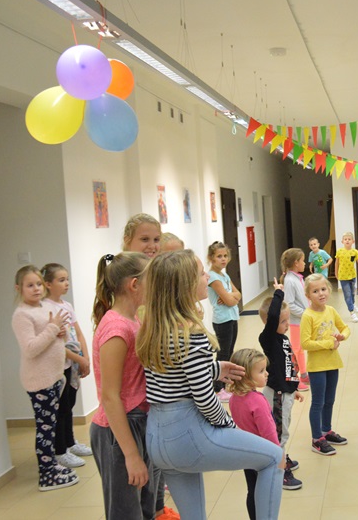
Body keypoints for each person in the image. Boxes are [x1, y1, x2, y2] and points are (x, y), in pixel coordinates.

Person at [136, 250, 283, 520]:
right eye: (201, 273)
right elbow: (204, 398)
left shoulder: (154, 329)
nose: (207, 277)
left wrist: (215, 368)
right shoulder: (191, 332)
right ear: (185, 285)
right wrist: (228, 425)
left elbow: (173, 376)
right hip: (188, 435)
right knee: (274, 458)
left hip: (158, 438)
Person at [90, 252, 157, 518]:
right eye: (151, 278)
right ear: (134, 284)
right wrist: (131, 455)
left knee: (145, 509)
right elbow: (110, 396)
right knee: (126, 513)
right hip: (118, 431)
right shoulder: (116, 329)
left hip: (137, 422)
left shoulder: (133, 320)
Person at [121, 214, 178, 519]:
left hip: (154, 390)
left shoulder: (153, 275)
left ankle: (158, 510)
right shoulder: (123, 281)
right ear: (127, 242)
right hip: (133, 394)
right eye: (144, 239)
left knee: (157, 465)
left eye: (156, 239)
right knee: (140, 474)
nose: (152, 245)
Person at [11, 265, 77, 491]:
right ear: (19, 288)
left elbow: (57, 338)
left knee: (52, 424)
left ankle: (52, 465)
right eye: (30, 285)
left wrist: (61, 332)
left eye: (38, 284)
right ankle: (46, 474)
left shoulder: (45, 308)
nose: (36, 289)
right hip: (39, 380)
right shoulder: (22, 315)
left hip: (54, 377)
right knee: (45, 427)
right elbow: (31, 348)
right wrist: (52, 329)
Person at [228, 348, 296, 520]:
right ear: (245, 376)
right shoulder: (257, 400)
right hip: (264, 456)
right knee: (266, 494)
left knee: (252, 490)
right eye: (261, 371)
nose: (266, 374)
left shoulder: (234, 398)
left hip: (247, 453)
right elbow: (269, 434)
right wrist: (280, 460)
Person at [41, 263, 92, 469]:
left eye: (67, 279)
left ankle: (70, 443)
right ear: (48, 284)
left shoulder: (67, 305)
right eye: (61, 280)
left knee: (69, 404)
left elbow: (78, 333)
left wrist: (85, 356)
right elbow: (56, 344)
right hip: (57, 365)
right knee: (60, 408)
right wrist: (79, 359)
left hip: (72, 363)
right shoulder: (45, 308)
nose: (66, 283)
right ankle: (60, 451)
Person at [258, 278, 304, 491]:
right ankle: (280, 469)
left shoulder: (283, 339)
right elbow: (273, 316)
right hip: (277, 394)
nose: (287, 324)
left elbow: (287, 365)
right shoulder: (268, 338)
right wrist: (278, 293)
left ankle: (282, 456)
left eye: (288, 320)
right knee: (280, 432)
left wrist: (293, 389)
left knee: (283, 427)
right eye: (283, 321)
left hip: (285, 392)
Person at [300, 273, 351, 455]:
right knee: (318, 402)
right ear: (308, 295)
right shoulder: (307, 316)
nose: (321, 293)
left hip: (332, 363)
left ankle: (326, 431)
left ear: (329, 290)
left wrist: (342, 336)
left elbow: (345, 327)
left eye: (323, 289)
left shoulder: (330, 310)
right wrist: (329, 343)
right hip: (317, 367)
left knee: (329, 400)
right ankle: (316, 439)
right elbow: (305, 343)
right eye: (315, 291)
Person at [207, 241, 242, 402]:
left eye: (225, 256)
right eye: (219, 256)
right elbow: (229, 301)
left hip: (232, 317)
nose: (223, 259)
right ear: (211, 258)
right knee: (223, 354)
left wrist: (231, 296)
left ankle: (225, 383)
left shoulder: (224, 275)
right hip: (222, 320)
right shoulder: (213, 278)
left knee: (229, 351)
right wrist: (231, 297)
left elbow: (238, 295)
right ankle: (217, 388)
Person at [280, 248, 310, 391]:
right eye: (302, 260)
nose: (305, 263)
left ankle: (303, 374)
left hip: (302, 320)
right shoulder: (290, 281)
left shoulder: (297, 278)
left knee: (300, 349)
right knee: (296, 350)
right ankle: (295, 379)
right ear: (296, 262)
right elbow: (290, 304)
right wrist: (305, 313)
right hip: (296, 322)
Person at [334, 231, 358, 322]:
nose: (347, 241)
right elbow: (337, 263)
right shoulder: (339, 251)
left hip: (352, 276)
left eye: (349, 239)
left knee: (352, 293)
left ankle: (353, 304)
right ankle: (351, 312)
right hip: (343, 277)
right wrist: (336, 273)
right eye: (345, 239)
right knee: (347, 294)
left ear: (353, 241)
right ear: (342, 241)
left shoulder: (355, 252)